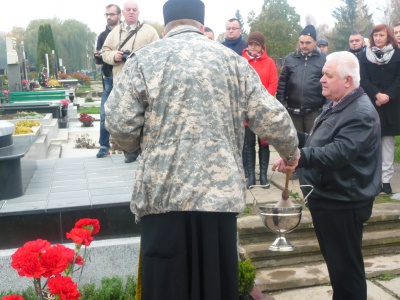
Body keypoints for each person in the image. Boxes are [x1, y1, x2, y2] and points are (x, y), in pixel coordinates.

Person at [105, 0, 300, 298]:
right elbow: (272, 116)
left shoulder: (144, 60)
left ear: (166, 23)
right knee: (216, 287)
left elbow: (118, 124)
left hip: (162, 197)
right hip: (217, 202)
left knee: (166, 288)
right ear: (201, 22)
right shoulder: (233, 61)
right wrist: (290, 153)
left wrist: (136, 145)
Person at [274, 51, 381, 300]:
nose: (321, 79)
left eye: (328, 75)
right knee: (339, 270)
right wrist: (289, 143)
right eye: (322, 73)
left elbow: (340, 152)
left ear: (347, 80)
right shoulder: (337, 105)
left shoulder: (360, 112)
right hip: (329, 197)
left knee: (347, 273)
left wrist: (300, 157)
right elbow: (317, 141)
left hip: (344, 202)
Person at [101, 0, 159, 163]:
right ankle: (130, 148)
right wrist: (114, 56)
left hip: (145, 82)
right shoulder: (114, 32)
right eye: (128, 10)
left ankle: (146, 146)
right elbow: (104, 51)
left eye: (135, 10)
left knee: (145, 115)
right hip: (122, 82)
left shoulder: (149, 31)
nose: (132, 12)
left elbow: (158, 53)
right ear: (123, 13)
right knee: (125, 117)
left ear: (138, 13)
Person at [359, 24, 400, 195]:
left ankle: (386, 181)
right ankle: (373, 180)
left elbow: (399, 79)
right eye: (375, 35)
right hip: (372, 104)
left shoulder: (398, 54)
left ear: (388, 36)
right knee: (372, 144)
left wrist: (388, 95)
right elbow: (363, 79)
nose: (377, 38)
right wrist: (377, 94)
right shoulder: (364, 55)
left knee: (388, 144)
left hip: (391, 105)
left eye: (381, 35)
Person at [242, 31, 278, 189]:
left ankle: (263, 176)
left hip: (263, 111)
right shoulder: (242, 61)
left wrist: (261, 102)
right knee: (248, 144)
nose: (253, 47)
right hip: (247, 110)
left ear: (262, 46)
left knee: (263, 144)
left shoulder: (269, 62)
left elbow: (272, 84)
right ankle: (251, 176)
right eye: (251, 44)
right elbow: (239, 83)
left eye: (256, 44)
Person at [277, 24, 326, 134]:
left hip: (315, 111)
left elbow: (330, 83)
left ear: (315, 43)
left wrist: (326, 106)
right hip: (293, 111)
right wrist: (282, 104)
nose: (304, 46)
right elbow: (282, 84)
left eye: (308, 43)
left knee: (313, 143)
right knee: (295, 145)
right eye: (301, 42)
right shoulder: (290, 59)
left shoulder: (324, 59)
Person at [94, 4, 121, 158]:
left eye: (111, 14)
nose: (109, 17)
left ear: (119, 15)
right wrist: (97, 56)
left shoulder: (126, 33)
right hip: (109, 78)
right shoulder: (102, 36)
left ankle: (135, 146)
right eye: (106, 14)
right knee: (104, 113)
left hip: (125, 79)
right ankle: (104, 145)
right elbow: (99, 63)